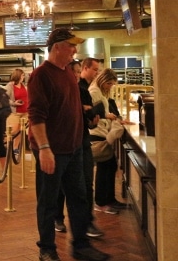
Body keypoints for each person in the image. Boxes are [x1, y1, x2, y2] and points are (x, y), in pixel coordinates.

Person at [28, 28, 109, 261]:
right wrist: (44, 149)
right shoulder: (41, 75)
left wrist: (88, 118)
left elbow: (70, 108)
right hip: (52, 150)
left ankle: (81, 246)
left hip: (73, 149)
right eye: (71, 46)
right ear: (57, 47)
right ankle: (47, 249)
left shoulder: (66, 73)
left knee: (79, 198)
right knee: (48, 202)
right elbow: (36, 116)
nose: (75, 50)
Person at [55, 58, 104, 237]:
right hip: (65, 143)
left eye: (77, 72)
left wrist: (92, 120)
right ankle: (58, 218)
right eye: (73, 72)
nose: (75, 75)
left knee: (86, 183)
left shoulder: (83, 90)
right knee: (62, 184)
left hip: (83, 141)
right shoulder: (60, 90)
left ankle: (87, 222)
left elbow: (89, 123)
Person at [89, 68, 127, 215]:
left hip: (102, 133)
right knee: (105, 167)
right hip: (97, 134)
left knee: (109, 166)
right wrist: (109, 116)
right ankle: (101, 202)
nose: (110, 86)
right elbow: (94, 113)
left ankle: (109, 199)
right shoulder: (94, 91)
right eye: (109, 83)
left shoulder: (99, 91)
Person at [4, 68, 28, 154]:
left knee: (20, 131)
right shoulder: (10, 86)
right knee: (12, 131)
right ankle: (7, 146)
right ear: (18, 76)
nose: (23, 77)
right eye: (22, 75)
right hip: (15, 112)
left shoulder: (24, 86)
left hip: (25, 112)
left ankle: (15, 148)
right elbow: (4, 99)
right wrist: (14, 103)